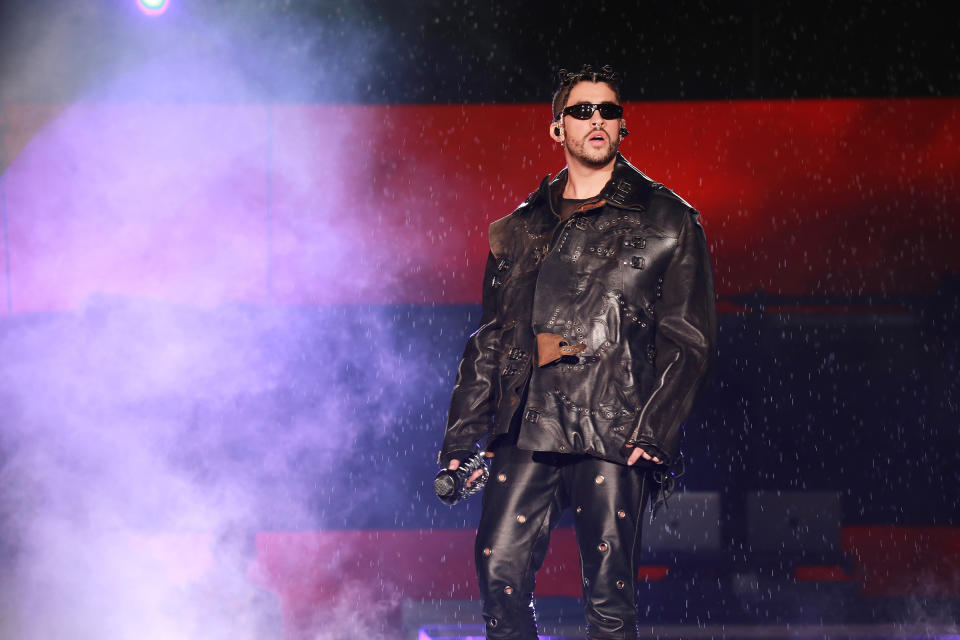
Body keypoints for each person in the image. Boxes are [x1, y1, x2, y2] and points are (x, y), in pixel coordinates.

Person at [438, 64, 716, 640]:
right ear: (556, 128)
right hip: (528, 422)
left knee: (609, 600)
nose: (596, 120)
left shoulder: (668, 220)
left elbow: (688, 340)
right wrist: (461, 440)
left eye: (608, 111)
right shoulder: (519, 228)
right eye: (582, 110)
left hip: (614, 425)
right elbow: (491, 335)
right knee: (498, 574)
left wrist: (654, 430)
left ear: (623, 127)